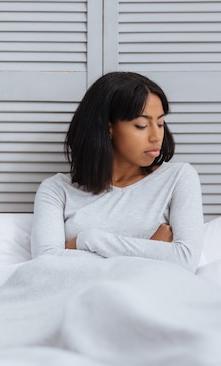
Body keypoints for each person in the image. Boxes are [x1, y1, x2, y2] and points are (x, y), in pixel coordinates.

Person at [31, 71, 203, 272]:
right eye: (141, 125)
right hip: (81, 300)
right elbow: (46, 266)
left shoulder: (178, 178)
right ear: (108, 127)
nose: (156, 136)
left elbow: (185, 260)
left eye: (160, 123)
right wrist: (153, 249)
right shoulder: (56, 190)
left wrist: (88, 239)